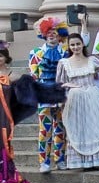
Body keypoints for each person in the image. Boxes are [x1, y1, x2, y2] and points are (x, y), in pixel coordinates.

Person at [56, 34, 99, 169]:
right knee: (79, 127)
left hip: (93, 97)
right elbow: (60, 83)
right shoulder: (64, 63)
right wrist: (70, 88)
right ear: (69, 47)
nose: (76, 47)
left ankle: (98, 160)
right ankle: (83, 162)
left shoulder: (92, 60)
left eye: (78, 44)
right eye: (72, 45)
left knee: (95, 125)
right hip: (75, 99)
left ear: (82, 44)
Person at [28, 17, 71, 172]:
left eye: (54, 32)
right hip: (44, 94)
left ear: (60, 35)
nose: (52, 35)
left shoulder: (65, 53)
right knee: (45, 129)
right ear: (44, 34)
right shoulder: (36, 53)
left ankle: (59, 159)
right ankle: (44, 162)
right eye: (49, 32)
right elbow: (34, 76)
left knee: (60, 128)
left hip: (60, 93)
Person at [0, 43, 39, 183]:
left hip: (3, 120)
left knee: (3, 151)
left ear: (6, 57)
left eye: (0, 55)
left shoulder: (14, 75)